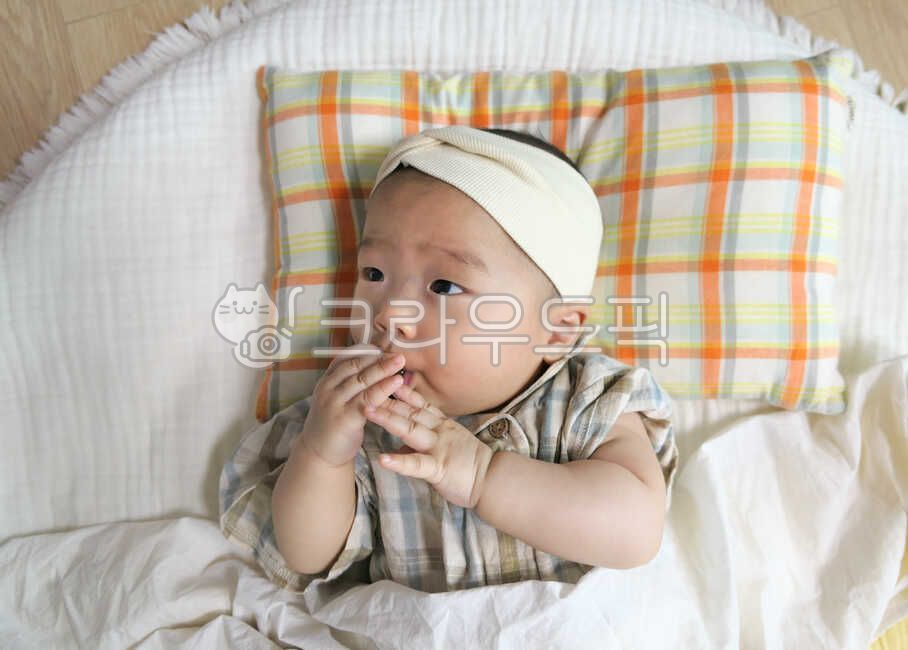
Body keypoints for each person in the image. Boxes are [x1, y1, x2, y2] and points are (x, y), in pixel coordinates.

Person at [219, 125, 679, 594]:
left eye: (443, 286)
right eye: (374, 272)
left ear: (557, 329)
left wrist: (483, 476)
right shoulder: (368, 421)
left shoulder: (586, 400)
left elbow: (637, 530)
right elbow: (308, 557)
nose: (390, 313)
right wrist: (322, 455)